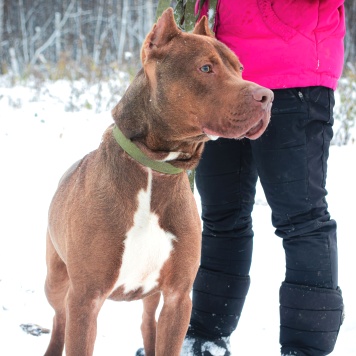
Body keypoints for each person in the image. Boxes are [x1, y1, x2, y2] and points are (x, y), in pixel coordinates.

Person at [182, 1, 346, 355]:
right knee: (220, 216)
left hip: (293, 70)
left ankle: (306, 348)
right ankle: (204, 337)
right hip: (223, 80)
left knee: (301, 218)